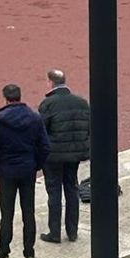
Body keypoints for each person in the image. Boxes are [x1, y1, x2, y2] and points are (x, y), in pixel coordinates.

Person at [0, 83, 50, 258]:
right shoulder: (35, 118)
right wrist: (35, 165)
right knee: (28, 212)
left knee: (7, 214)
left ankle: (3, 255)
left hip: (6, 171)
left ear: (5, 98)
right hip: (28, 169)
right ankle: (29, 254)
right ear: (20, 97)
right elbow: (44, 147)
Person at [38, 68, 90, 243]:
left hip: (53, 157)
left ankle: (54, 232)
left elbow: (41, 133)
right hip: (74, 156)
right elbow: (88, 129)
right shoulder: (82, 103)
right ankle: (72, 231)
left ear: (51, 82)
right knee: (72, 189)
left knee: (54, 193)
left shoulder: (48, 104)